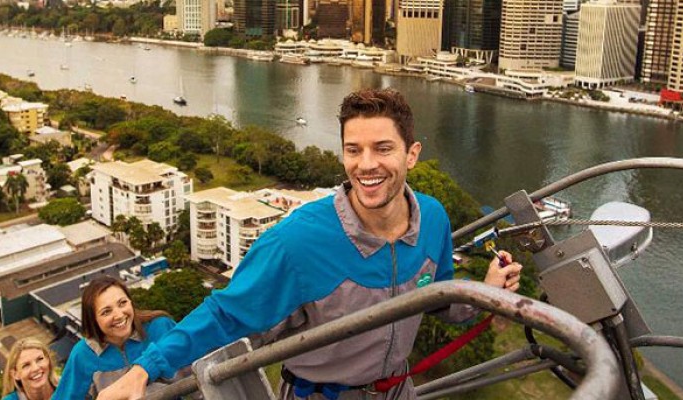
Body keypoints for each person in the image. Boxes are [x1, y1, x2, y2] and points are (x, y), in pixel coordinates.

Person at [96, 88, 523, 400]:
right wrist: (143, 371)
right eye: (353, 150)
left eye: (383, 148)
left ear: (412, 155)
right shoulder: (296, 242)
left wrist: (484, 291)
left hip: (399, 390)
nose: (367, 164)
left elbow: (436, 298)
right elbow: (225, 315)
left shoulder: (432, 219)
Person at [51, 276, 177, 400]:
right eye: (106, 312)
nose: (118, 315)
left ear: (131, 302)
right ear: (93, 320)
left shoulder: (160, 327)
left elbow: (193, 368)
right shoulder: (83, 354)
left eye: (122, 303)